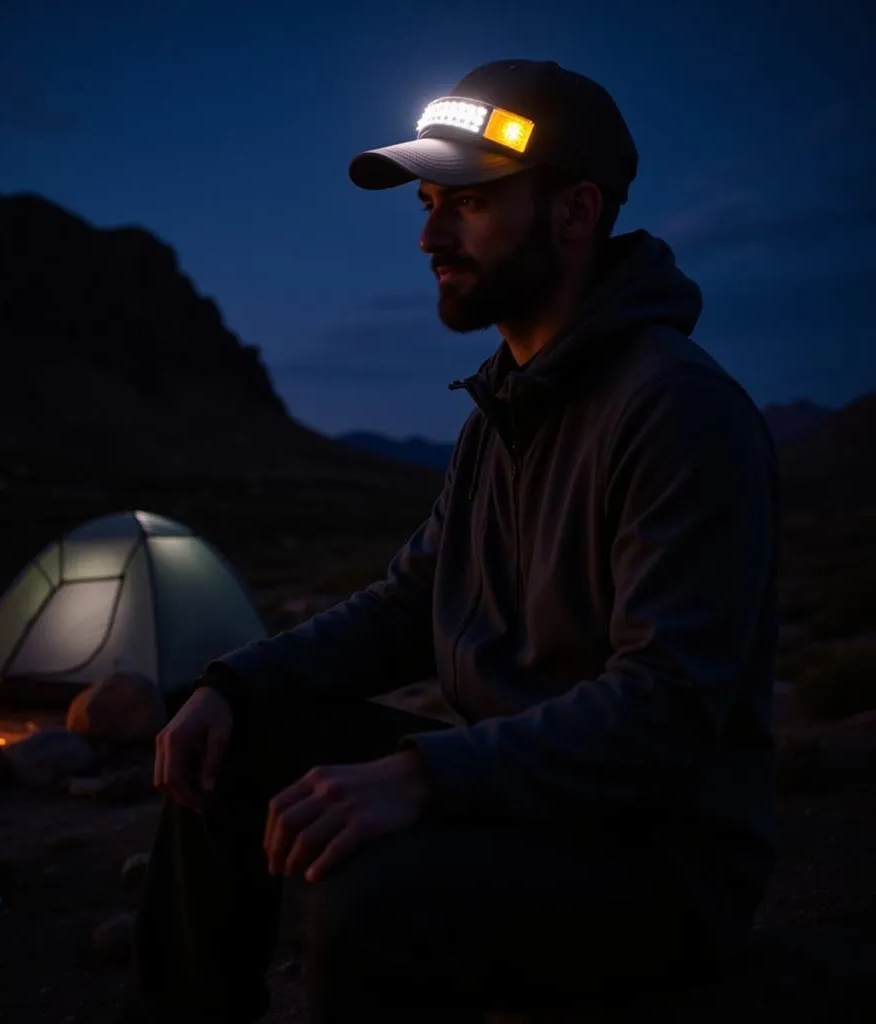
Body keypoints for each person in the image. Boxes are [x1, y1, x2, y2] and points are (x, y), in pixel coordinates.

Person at [134, 59, 779, 1024]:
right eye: (430, 203)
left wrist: (423, 776)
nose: (431, 235)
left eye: (468, 204)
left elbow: (667, 710)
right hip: (527, 796)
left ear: (576, 212)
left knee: (373, 897)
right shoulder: (503, 411)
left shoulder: (677, 410)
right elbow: (410, 602)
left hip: (651, 856)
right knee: (236, 744)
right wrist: (235, 684)